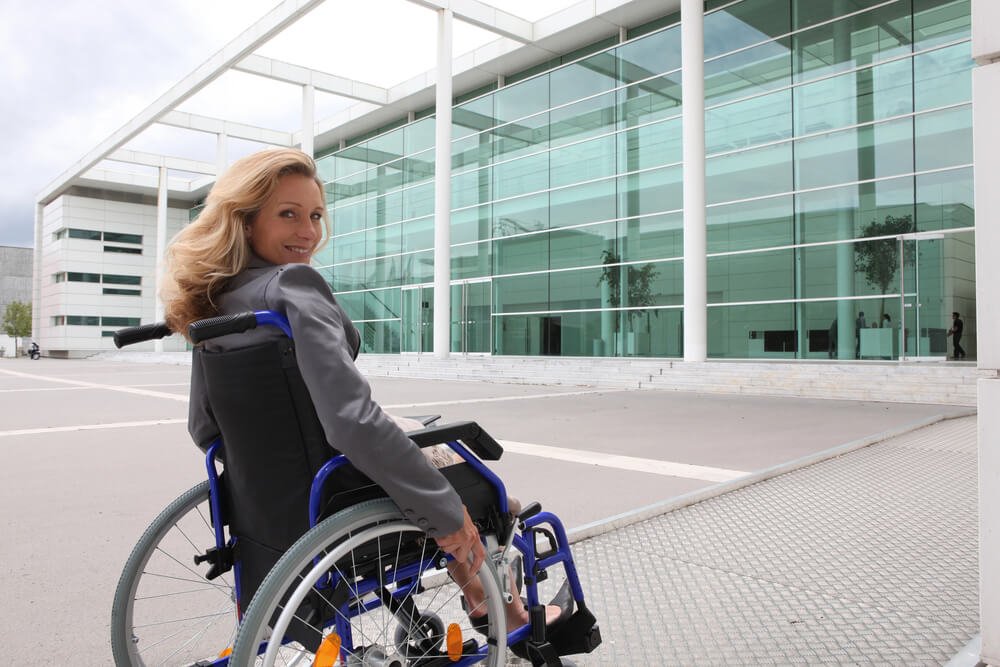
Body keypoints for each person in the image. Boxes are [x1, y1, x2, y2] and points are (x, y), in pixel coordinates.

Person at [161, 148, 566, 640]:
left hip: (272, 502)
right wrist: (442, 510)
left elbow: (205, 429)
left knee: (414, 433)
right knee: (473, 479)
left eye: (314, 216)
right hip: (338, 482)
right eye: (287, 214)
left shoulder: (217, 305)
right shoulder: (293, 285)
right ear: (245, 223)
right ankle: (500, 605)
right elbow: (351, 419)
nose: (308, 231)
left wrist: (266, 472)